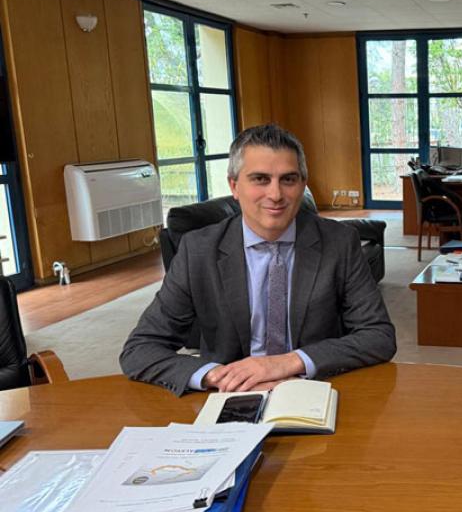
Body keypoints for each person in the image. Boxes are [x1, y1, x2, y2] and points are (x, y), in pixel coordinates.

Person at [121, 124, 396, 396]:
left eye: (288, 179)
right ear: (234, 186)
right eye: (260, 179)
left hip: (313, 389)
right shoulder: (198, 251)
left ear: (302, 184)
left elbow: (378, 335)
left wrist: (286, 362)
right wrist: (217, 376)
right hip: (229, 393)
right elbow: (140, 348)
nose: (276, 195)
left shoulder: (339, 242)